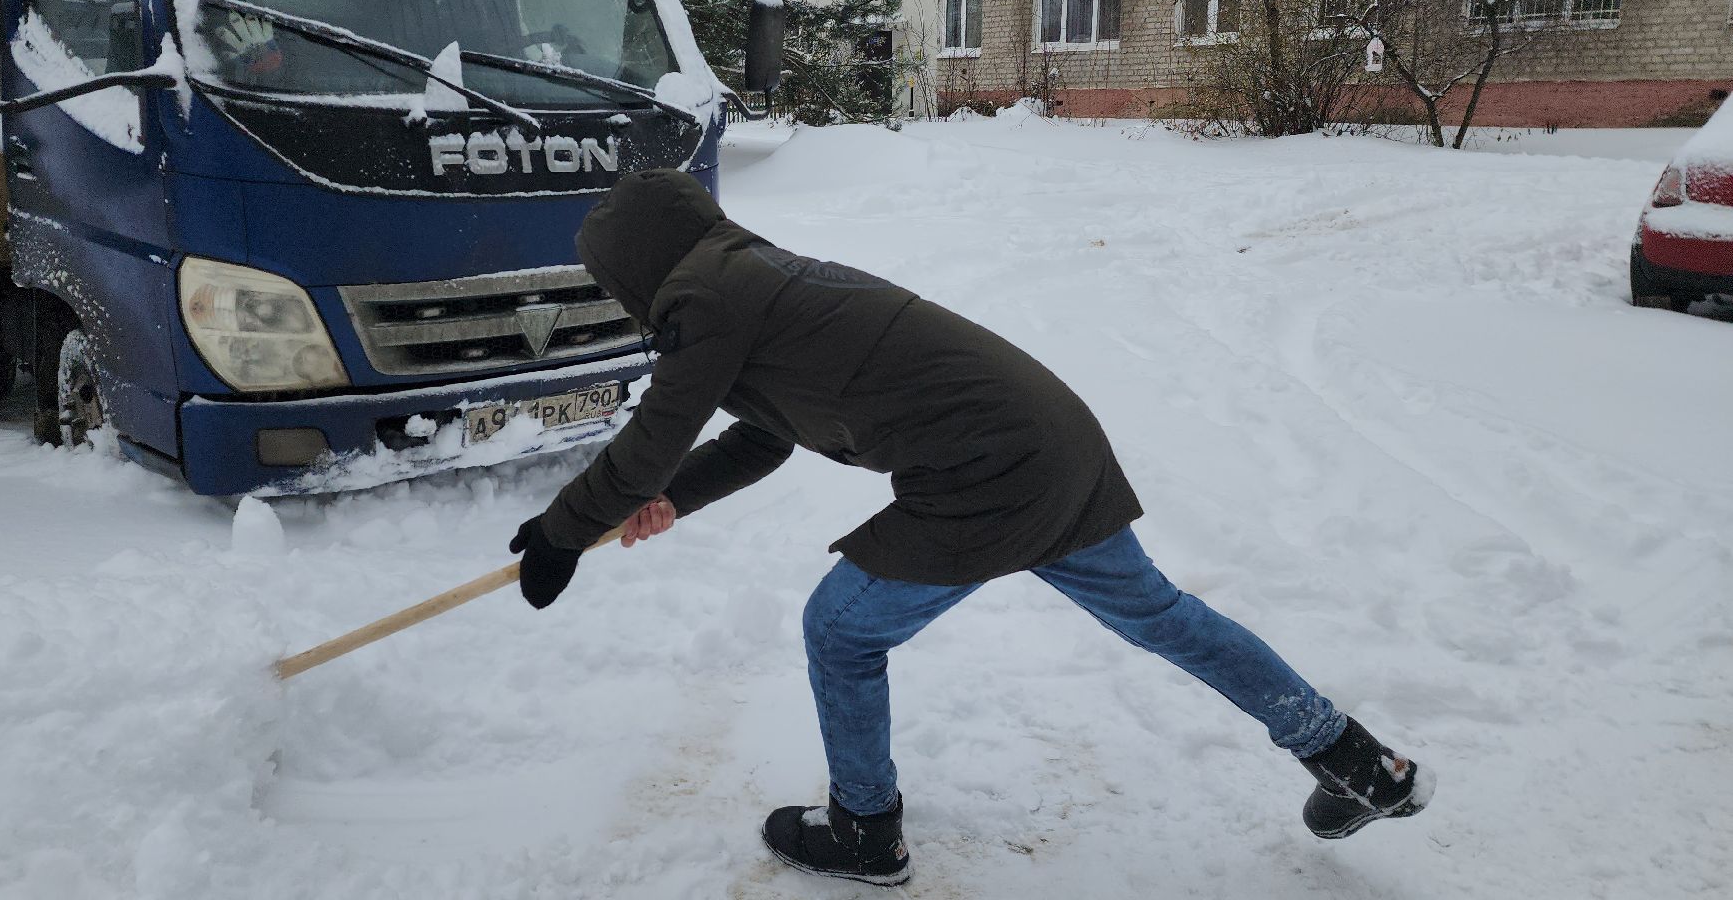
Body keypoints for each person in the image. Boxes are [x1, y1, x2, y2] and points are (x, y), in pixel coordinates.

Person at [508, 171, 1433, 887]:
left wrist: (562, 530)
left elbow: (646, 443)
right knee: (1165, 617)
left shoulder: (707, 299)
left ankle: (866, 835)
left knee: (839, 630)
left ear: (630, 269)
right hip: (1049, 443)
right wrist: (656, 499)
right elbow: (762, 439)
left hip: (988, 476)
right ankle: (1358, 760)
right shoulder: (749, 280)